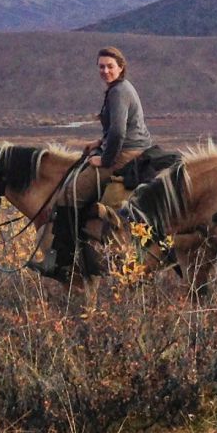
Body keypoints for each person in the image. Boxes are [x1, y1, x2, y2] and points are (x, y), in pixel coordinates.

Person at [43, 47, 175, 278]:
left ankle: (65, 263)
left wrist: (105, 159)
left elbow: (118, 133)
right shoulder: (119, 89)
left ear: (121, 67)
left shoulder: (118, 92)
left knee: (69, 194)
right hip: (131, 148)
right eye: (101, 66)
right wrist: (98, 141)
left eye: (110, 66)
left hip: (125, 154)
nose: (105, 70)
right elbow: (116, 129)